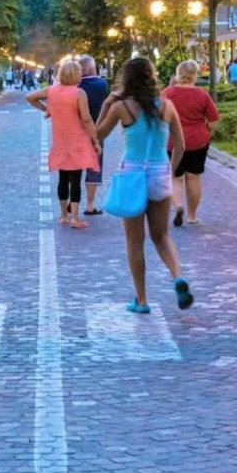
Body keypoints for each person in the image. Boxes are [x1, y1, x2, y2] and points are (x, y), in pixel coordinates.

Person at [96, 57, 194, 313]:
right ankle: (178, 276)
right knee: (161, 236)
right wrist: (170, 170)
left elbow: (97, 135)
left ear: (127, 79)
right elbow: (181, 145)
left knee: (135, 241)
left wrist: (107, 104)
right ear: (152, 77)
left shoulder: (122, 107)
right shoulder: (167, 106)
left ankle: (141, 300)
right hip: (160, 171)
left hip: (132, 173)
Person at [27, 60, 100, 229]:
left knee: (63, 178)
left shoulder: (51, 91)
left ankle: (63, 216)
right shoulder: (79, 93)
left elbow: (30, 97)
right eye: (79, 72)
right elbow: (86, 119)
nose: (81, 74)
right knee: (75, 179)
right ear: (72, 74)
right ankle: (75, 218)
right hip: (77, 140)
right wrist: (95, 140)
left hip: (60, 140)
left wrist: (47, 109)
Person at [162, 60, 219, 226]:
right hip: (198, 141)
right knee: (193, 177)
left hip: (173, 141)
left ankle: (178, 206)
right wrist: (206, 129)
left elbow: (159, 115)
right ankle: (191, 216)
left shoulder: (168, 92)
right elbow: (214, 120)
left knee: (175, 177)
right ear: (195, 74)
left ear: (178, 74)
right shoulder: (202, 94)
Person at [78, 55, 110, 215]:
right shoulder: (101, 84)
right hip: (96, 130)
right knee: (94, 167)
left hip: (74, 131)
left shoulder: (73, 86)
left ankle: (72, 202)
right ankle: (90, 205)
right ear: (92, 68)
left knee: (73, 167)